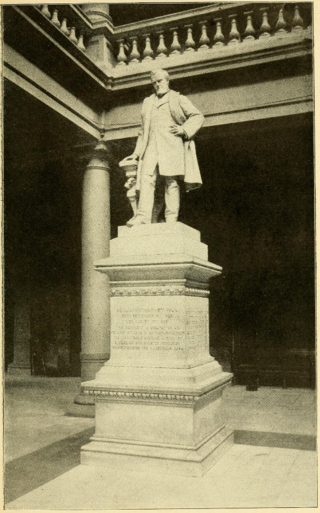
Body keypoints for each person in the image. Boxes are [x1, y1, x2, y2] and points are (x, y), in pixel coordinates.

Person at [125, 68, 204, 227]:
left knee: (171, 182)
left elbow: (198, 116)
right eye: (154, 83)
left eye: (159, 81)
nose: (157, 85)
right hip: (151, 146)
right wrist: (136, 152)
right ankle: (143, 216)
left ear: (167, 80)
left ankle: (171, 219)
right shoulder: (148, 102)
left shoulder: (177, 98)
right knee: (146, 178)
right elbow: (143, 131)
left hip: (171, 146)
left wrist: (184, 130)